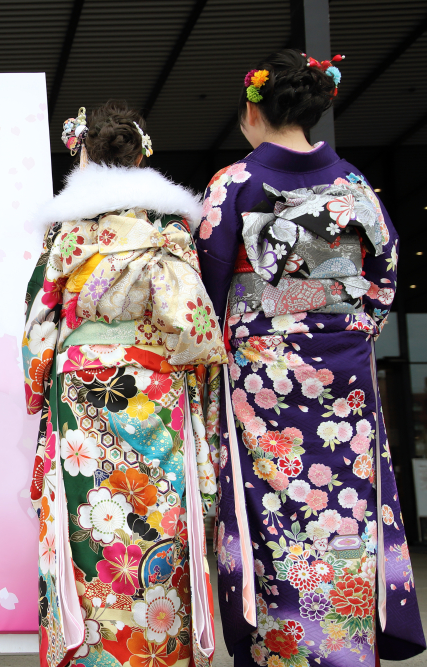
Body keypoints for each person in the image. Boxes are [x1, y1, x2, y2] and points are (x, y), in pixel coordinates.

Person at [196, 49, 426, 665]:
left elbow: (208, 283)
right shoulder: (352, 183)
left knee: (271, 507)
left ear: (252, 111)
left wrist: (234, 336)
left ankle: (282, 648)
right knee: (346, 504)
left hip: (261, 371)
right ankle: (346, 648)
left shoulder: (234, 183)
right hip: (343, 368)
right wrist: (351, 329)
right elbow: (384, 271)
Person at [24, 102, 226, 667]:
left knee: (92, 523)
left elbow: (39, 319)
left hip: (81, 394)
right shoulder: (169, 226)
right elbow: (193, 320)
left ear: (84, 157)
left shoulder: (67, 229)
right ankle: (160, 647)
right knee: (158, 515)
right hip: (156, 388)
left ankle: (95, 650)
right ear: (142, 156)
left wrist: (39, 384)